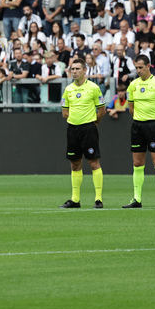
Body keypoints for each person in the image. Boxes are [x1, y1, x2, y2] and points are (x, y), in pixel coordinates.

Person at [123, 54, 155, 209]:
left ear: (148, 66)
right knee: (137, 163)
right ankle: (137, 199)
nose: (138, 70)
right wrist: (139, 119)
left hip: (153, 126)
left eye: (141, 67)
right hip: (137, 127)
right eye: (136, 67)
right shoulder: (133, 85)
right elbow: (131, 109)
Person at [59, 57, 106, 208]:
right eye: (72, 69)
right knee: (75, 164)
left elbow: (102, 109)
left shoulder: (93, 87)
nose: (74, 71)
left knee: (93, 162)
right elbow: (64, 112)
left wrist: (94, 123)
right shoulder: (68, 89)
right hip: (73, 130)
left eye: (77, 69)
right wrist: (74, 120)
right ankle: (75, 199)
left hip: (88, 129)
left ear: (85, 70)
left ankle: (98, 199)